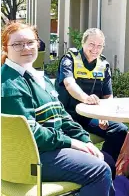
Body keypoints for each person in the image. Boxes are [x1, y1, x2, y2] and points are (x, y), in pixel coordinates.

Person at [1, 21, 115, 196]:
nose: (26, 48)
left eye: (31, 42)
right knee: (99, 171)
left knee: (106, 160)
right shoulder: (9, 84)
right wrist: (71, 142)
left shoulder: (38, 76)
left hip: (49, 148)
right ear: (5, 48)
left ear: (38, 44)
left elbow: (61, 115)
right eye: (17, 44)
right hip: (30, 158)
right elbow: (29, 132)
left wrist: (85, 140)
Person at [55, 28, 128, 162]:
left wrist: (103, 115)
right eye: (92, 44)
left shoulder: (104, 65)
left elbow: (108, 96)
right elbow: (69, 84)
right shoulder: (69, 59)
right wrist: (85, 98)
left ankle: (105, 164)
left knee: (120, 129)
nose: (95, 49)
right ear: (83, 43)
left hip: (90, 116)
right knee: (76, 141)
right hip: (67, 115)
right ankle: (87, 166)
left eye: (99, 46)